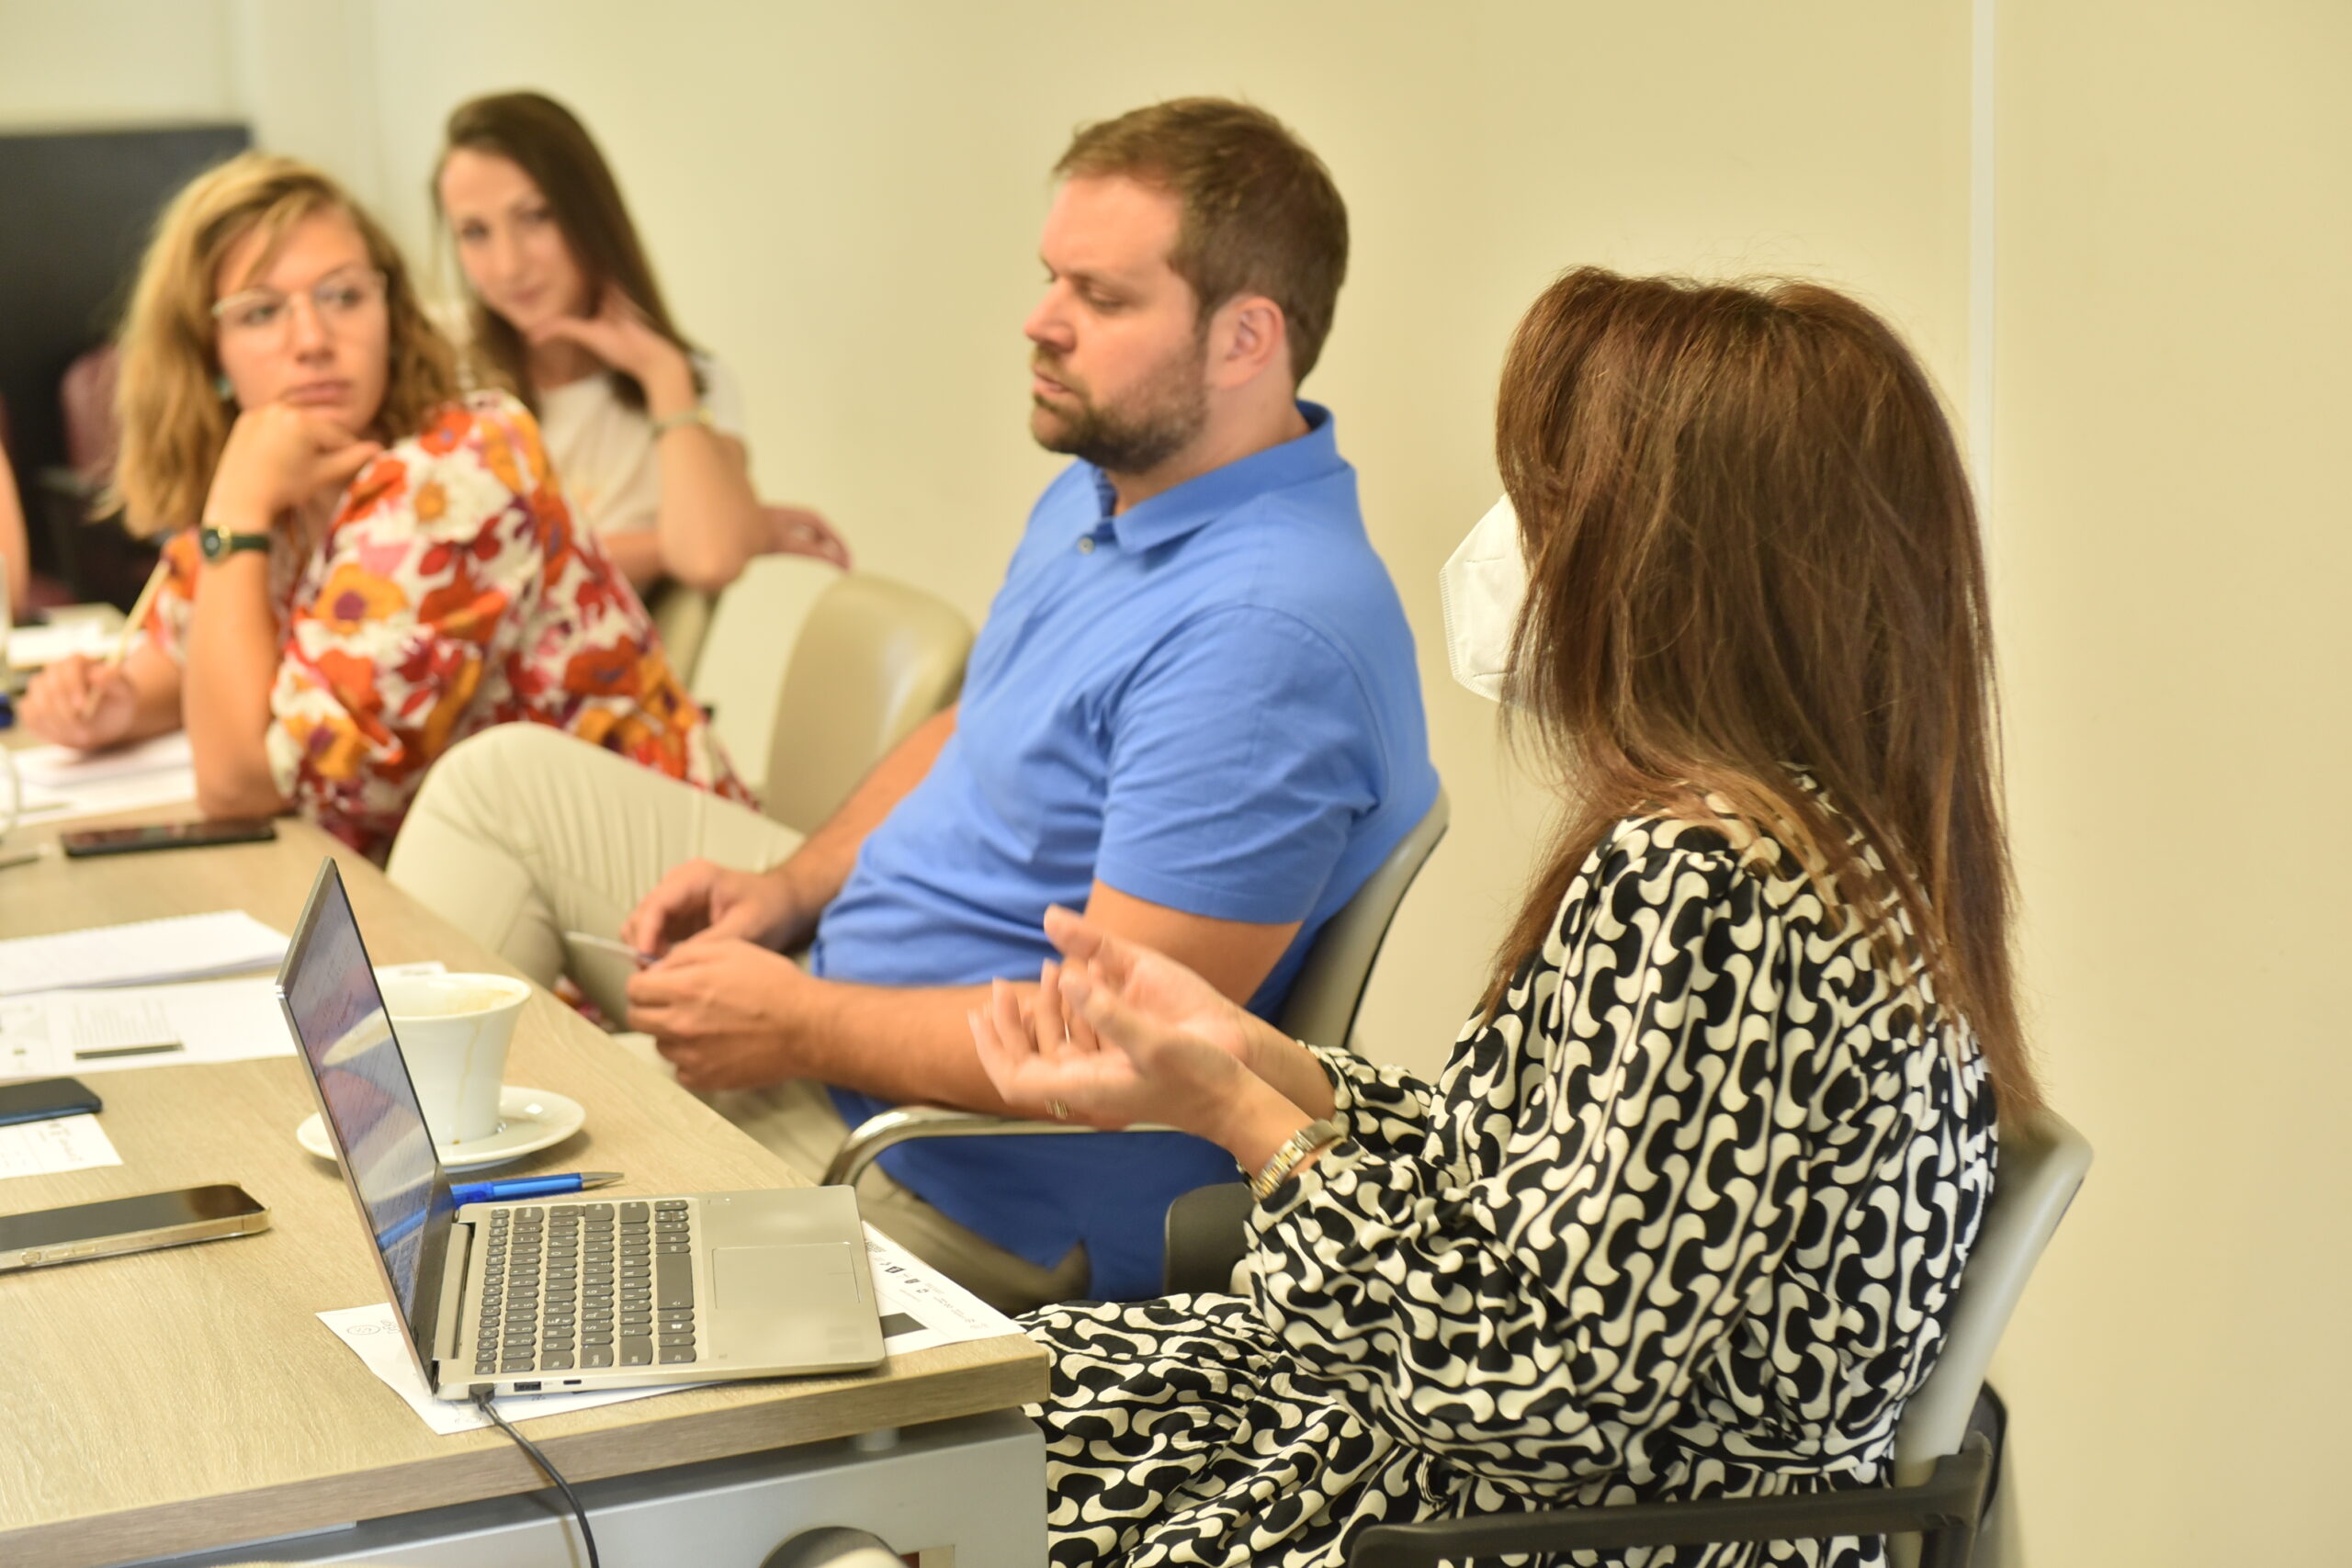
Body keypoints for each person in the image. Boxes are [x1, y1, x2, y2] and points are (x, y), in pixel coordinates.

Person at [970, 268, 2042, 1566]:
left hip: (1567, 1523)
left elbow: (1534, 1393)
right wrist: (1266, 1062)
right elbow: (1545, 1193)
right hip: (1541, 1483)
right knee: (968, 1416)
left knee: (922, 1465)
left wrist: (1243, 1121)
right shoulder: (1819, 847)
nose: (1509, 545)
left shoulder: (1717, 885)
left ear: (1672, 571)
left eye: (1545, 503)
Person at [387, 98, 1438, 1312]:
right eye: (1051, 278)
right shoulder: (1113, 484)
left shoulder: (1264, 636)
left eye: (1101, 298)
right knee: (496, 785)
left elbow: (1114, 1047)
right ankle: (383, 1158)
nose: (1041, 321)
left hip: (947, 1175)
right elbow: (973, 722)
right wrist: (790, 889)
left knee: (484, 1244)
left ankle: (385, 1211)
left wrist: (803, 1024)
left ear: (1246, 339)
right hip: (843, 1014)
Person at [16, 153, 742, 858]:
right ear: (208, 354)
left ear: (390, 315)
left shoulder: (456, 475)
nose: (312, 341)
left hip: (651, 891)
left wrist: (236, 510)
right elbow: (182, 658)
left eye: (343, 297)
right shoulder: (281, 479)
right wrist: (115, 703)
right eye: (261, 312)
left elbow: (241, 783)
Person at [434, 91, 836, 597]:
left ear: (588, 215)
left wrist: (662, 375)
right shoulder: (437, 359)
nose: (509, 265)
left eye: (535, 217)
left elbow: (710, 556)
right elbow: (443, 563)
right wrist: (698, 538)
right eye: (475, 232)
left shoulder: (688, 382)